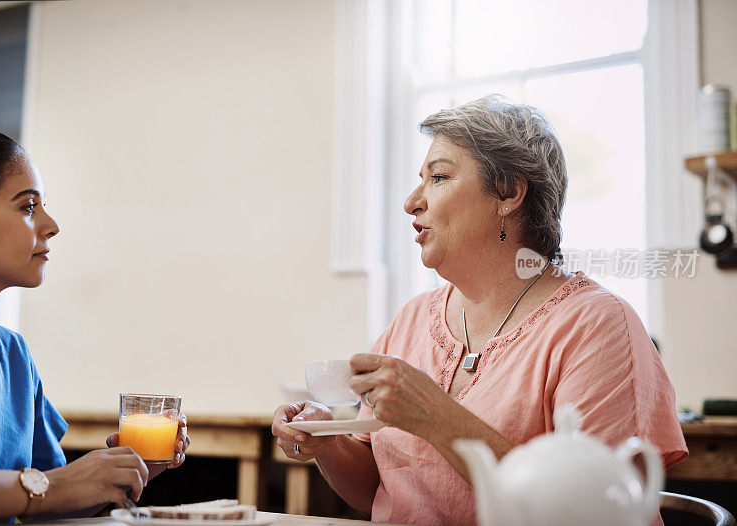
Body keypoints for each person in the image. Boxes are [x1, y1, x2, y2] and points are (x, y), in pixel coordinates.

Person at [272, 96, 688, 525]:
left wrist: (438, 417)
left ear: (508, 192)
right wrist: (327, 443)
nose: (412, 201)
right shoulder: (412, 320)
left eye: (438, 177)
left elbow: (597, 511)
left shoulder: (598, 325)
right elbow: (370, 487)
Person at [0, 125, 190, 524]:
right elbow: (47, 490)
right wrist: (50, 487)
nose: (51, 224)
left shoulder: (12, 356)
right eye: (27, 207)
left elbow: (48, 505)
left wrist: (123, 472)